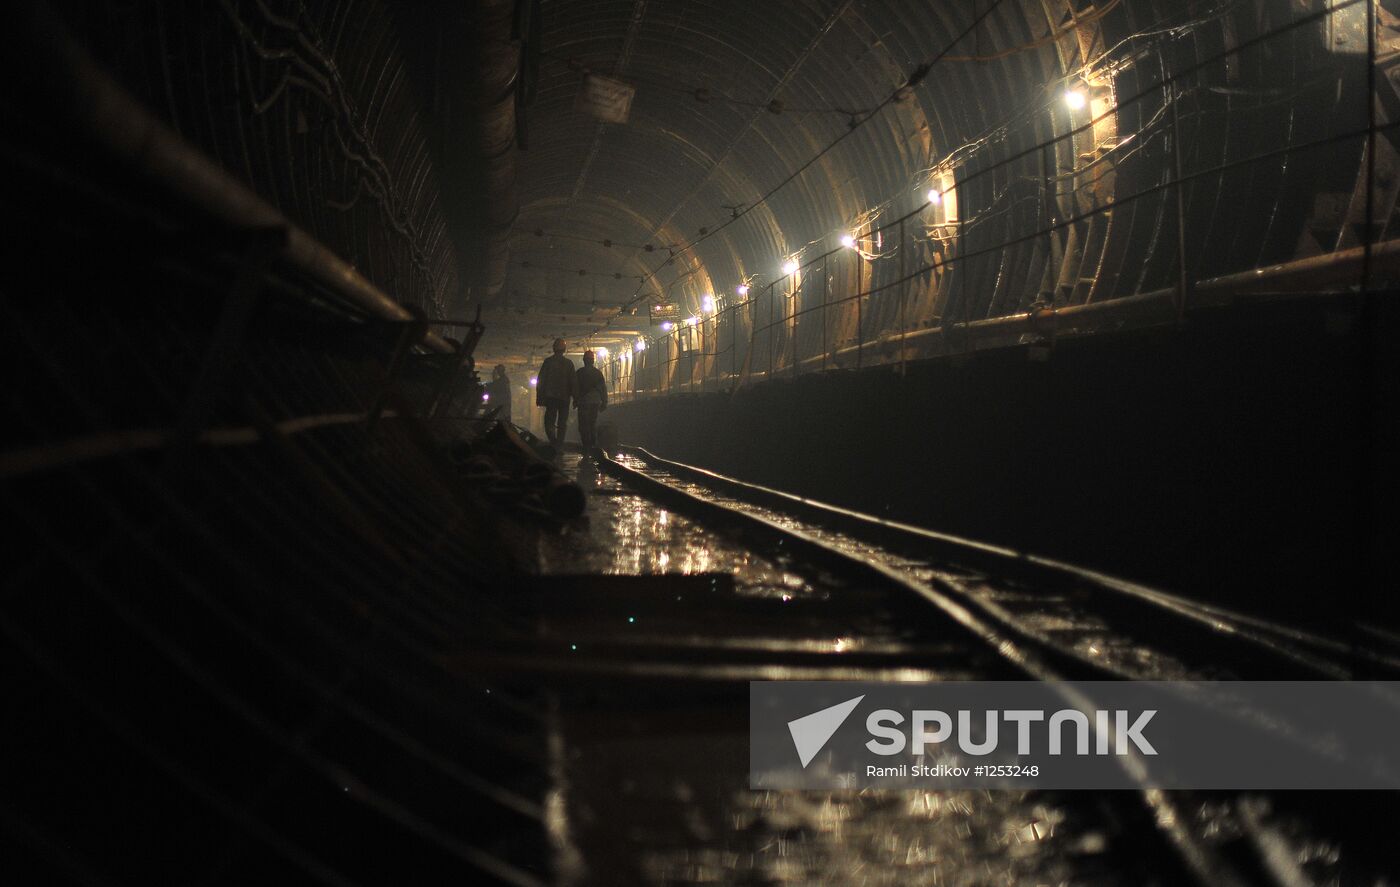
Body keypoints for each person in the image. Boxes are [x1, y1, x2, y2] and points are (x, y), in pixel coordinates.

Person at [535, 338, 575, 449]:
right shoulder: (568, 364)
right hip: (564, 398)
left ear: (553, 348)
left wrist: (539, 397)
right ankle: (559, 444)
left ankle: (553, 441)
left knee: (549, 421)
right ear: (564, 349)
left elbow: (541, 380)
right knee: (562, 423)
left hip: (551, 397)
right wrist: (575, 398)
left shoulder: (548, 362)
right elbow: (573, 382)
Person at [574, 349, 608, 454]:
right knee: (592, 423)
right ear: (593, 361)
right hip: (594, 402)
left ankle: (586, 446)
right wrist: (604, 402)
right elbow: (603, 388)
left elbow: (574, 388)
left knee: (583, 425)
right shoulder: (598, 373)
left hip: (583, 402)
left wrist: (575, 400)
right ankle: (593, 445)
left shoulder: (579, 373)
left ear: (584, 360)